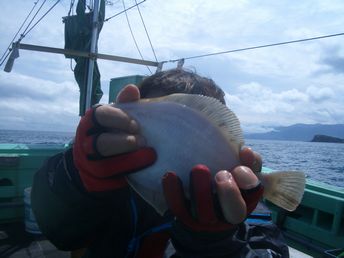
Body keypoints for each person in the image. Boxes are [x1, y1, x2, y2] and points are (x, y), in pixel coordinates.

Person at [31, 68, 289, 258]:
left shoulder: (243, 207)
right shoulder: (102, 184)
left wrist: (217, 244)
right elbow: (60, 233)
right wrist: (78, 177)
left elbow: (270, 251)